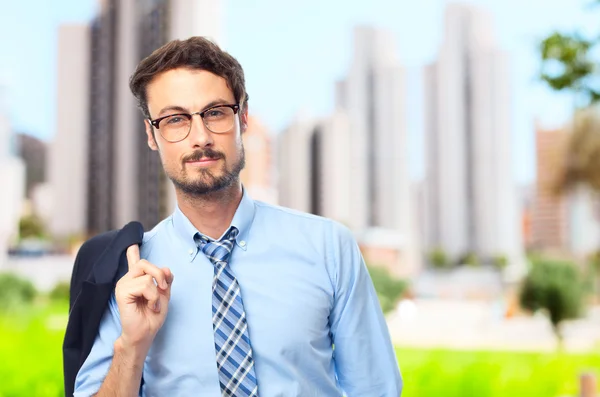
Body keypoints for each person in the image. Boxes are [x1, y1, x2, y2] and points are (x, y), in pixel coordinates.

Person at [74, 36, 402, 397]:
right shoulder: (130, 270)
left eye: (214, 113)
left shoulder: (328, 247)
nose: (199, 137)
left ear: (243, 117)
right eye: (175, 119)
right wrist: (132, 346)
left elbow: (375, 388)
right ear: (152, 135)